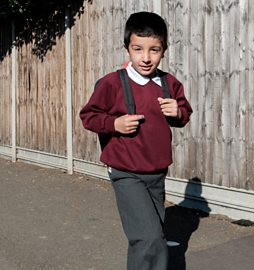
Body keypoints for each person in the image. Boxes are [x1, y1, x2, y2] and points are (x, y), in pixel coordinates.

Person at [79, 11, 192, 270]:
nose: (146, 57)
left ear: (164, 50)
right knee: (148, 238)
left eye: (154, 50)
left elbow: (184, 114)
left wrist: (178, 112)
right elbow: (89, 116)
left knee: (152, 239)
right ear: (127, 48)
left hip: (157, 173)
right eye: (138, 48)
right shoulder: (112, 84)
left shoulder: (169, 84)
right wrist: (114, 124)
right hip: (126, 172)